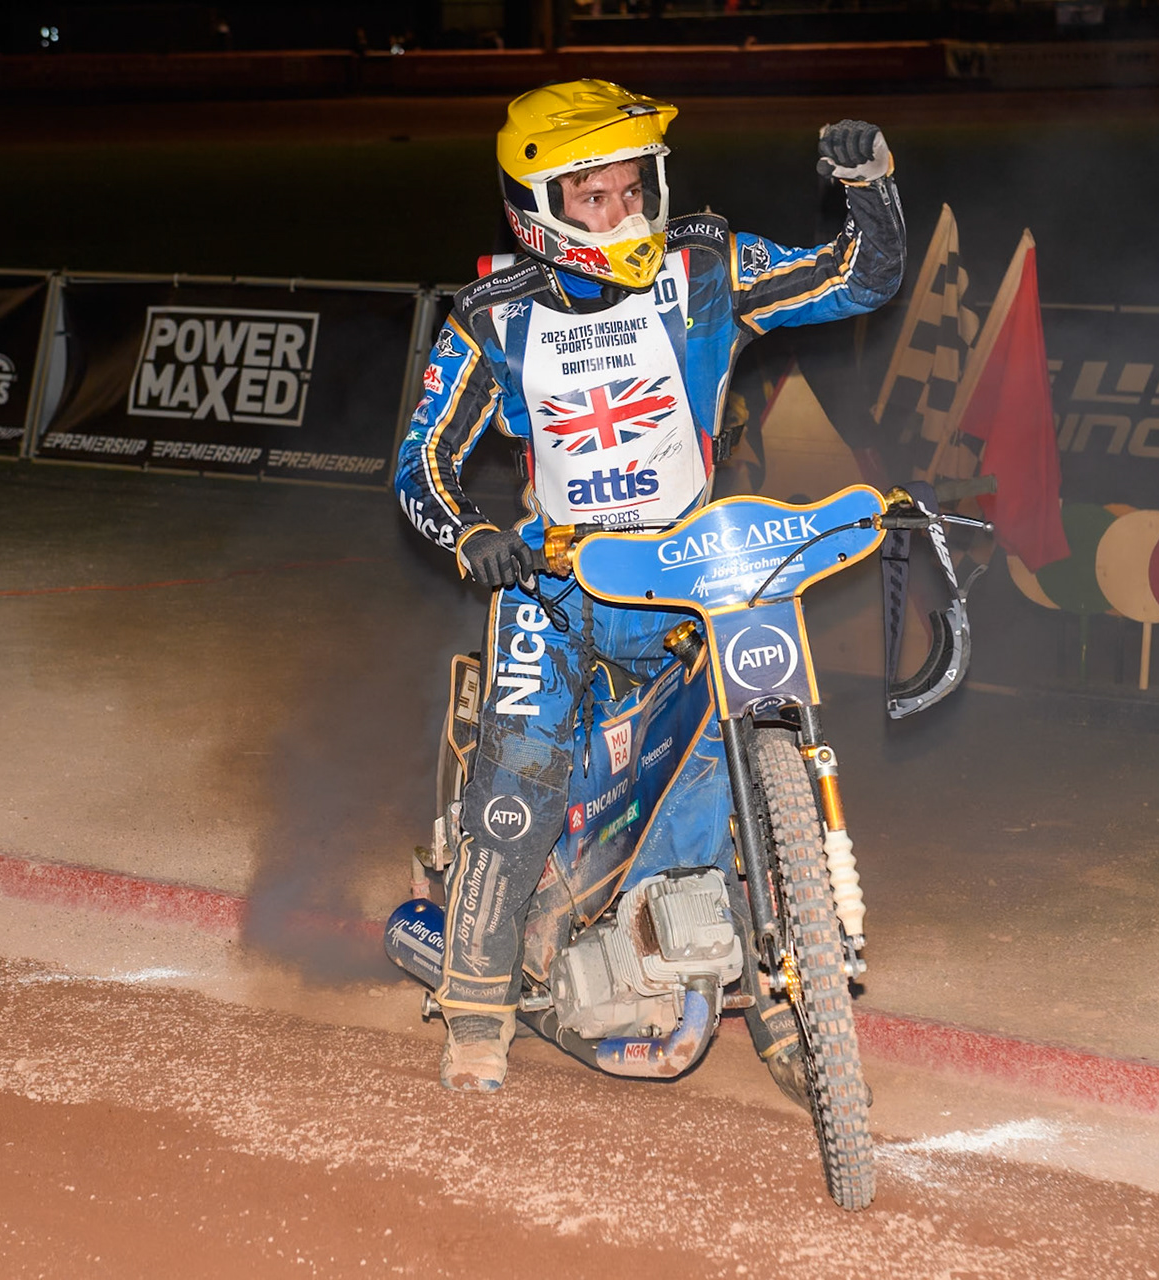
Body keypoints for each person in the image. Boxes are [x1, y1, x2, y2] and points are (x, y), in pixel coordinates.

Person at [394, 79, 904, 1092]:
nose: (623, 211)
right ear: (537, 207)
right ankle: (477, 1013)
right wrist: (475, 534)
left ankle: (783, 1002)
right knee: (517, 784)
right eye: (595, 197)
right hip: (557, 587)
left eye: (633, 187)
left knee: (745, 753)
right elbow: (421, 465)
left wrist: (870, 188)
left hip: (692, 574)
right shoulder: (491, 318)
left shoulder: (706, 269)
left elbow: (856, 280)